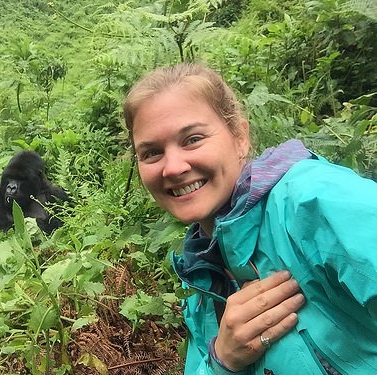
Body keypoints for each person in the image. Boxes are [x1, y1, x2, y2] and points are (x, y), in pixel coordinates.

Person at [123, 62, 377, 375]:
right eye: (151, 153)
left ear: (240, 137)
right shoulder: (203, 275)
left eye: (193, 139)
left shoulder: (312, 200)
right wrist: (222, 361)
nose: (173, 167)